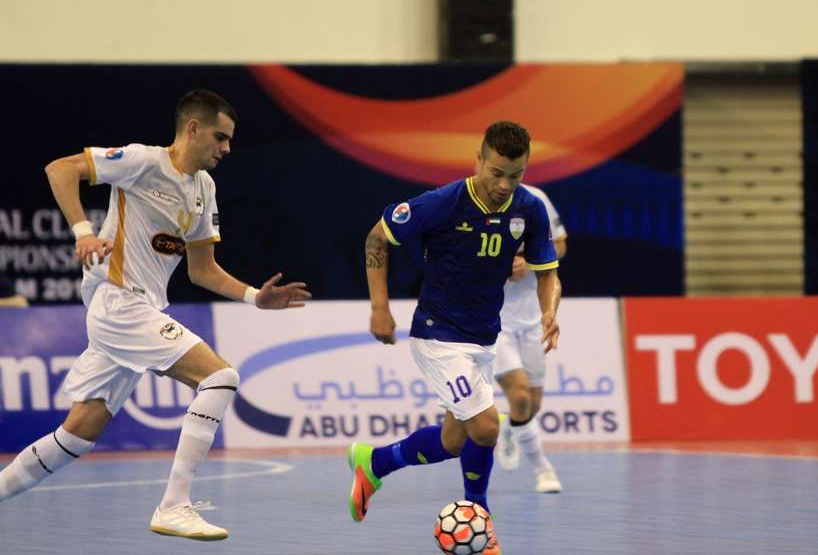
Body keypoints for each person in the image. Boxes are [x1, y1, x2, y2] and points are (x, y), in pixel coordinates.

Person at [0, 90, 311, 541]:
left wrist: (252, 298)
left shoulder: (204, 189)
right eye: (220, 137)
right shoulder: (143, 161)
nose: (226, 148)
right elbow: (61, 169)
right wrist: (83, 232)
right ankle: (174, 505)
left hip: (142, 308)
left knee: (76, 435)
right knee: (220, 378)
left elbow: (202, 271)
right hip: (117, 301)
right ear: (193, 128)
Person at [350, 121, 562, 555]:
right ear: (479, 160)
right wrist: (379, 307)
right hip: (437, 335)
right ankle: (479, 518)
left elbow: (548, 272)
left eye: (516, 174)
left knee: (455, 440)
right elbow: (377, 236)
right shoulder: (444, 203)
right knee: (486, 428)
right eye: (497, 172)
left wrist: (548, 312)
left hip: (484, 339)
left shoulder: (530, 209)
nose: (505, 184)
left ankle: (374, 462)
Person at [493, 184, 567, 493]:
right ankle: (543, 470)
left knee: (530, 406)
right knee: (520, 396)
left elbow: (560, 246)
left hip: (532, 317)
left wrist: (529, 258)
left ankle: (511, 426)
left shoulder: (535, 200)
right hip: (493, 322)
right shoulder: (468, 205)